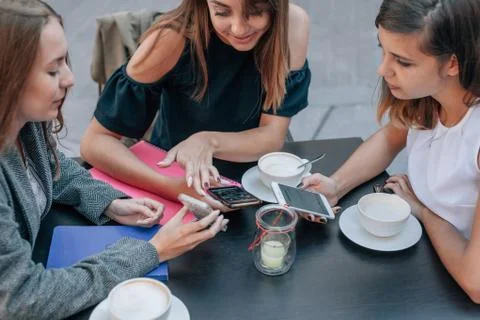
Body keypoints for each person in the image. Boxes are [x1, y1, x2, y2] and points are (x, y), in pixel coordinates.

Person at [0, 1, 228, 319]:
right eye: (52, 70)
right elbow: (25, 298)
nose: (69, 79)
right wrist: (150, 250)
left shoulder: (24, 120)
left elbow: (49, 166)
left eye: (65, 61)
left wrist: (108, 202)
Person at [302, 0, 480, 303]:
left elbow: (475, 284)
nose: (383, 69)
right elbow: (390, 137)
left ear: (453, 63)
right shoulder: (429, 96)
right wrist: (335, 186)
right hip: (425, 260)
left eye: (403, 61)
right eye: (382, 50)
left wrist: (423, 211)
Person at [80, 0, 311, 207]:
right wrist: (169, 187)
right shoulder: (170, 38)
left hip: (258, 178)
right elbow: (95, 142)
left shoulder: (292, 25)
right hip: (179, 178)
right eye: (222, 11)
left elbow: (271, 136)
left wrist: (207, 141)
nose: (239, 28)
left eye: (255, 11)